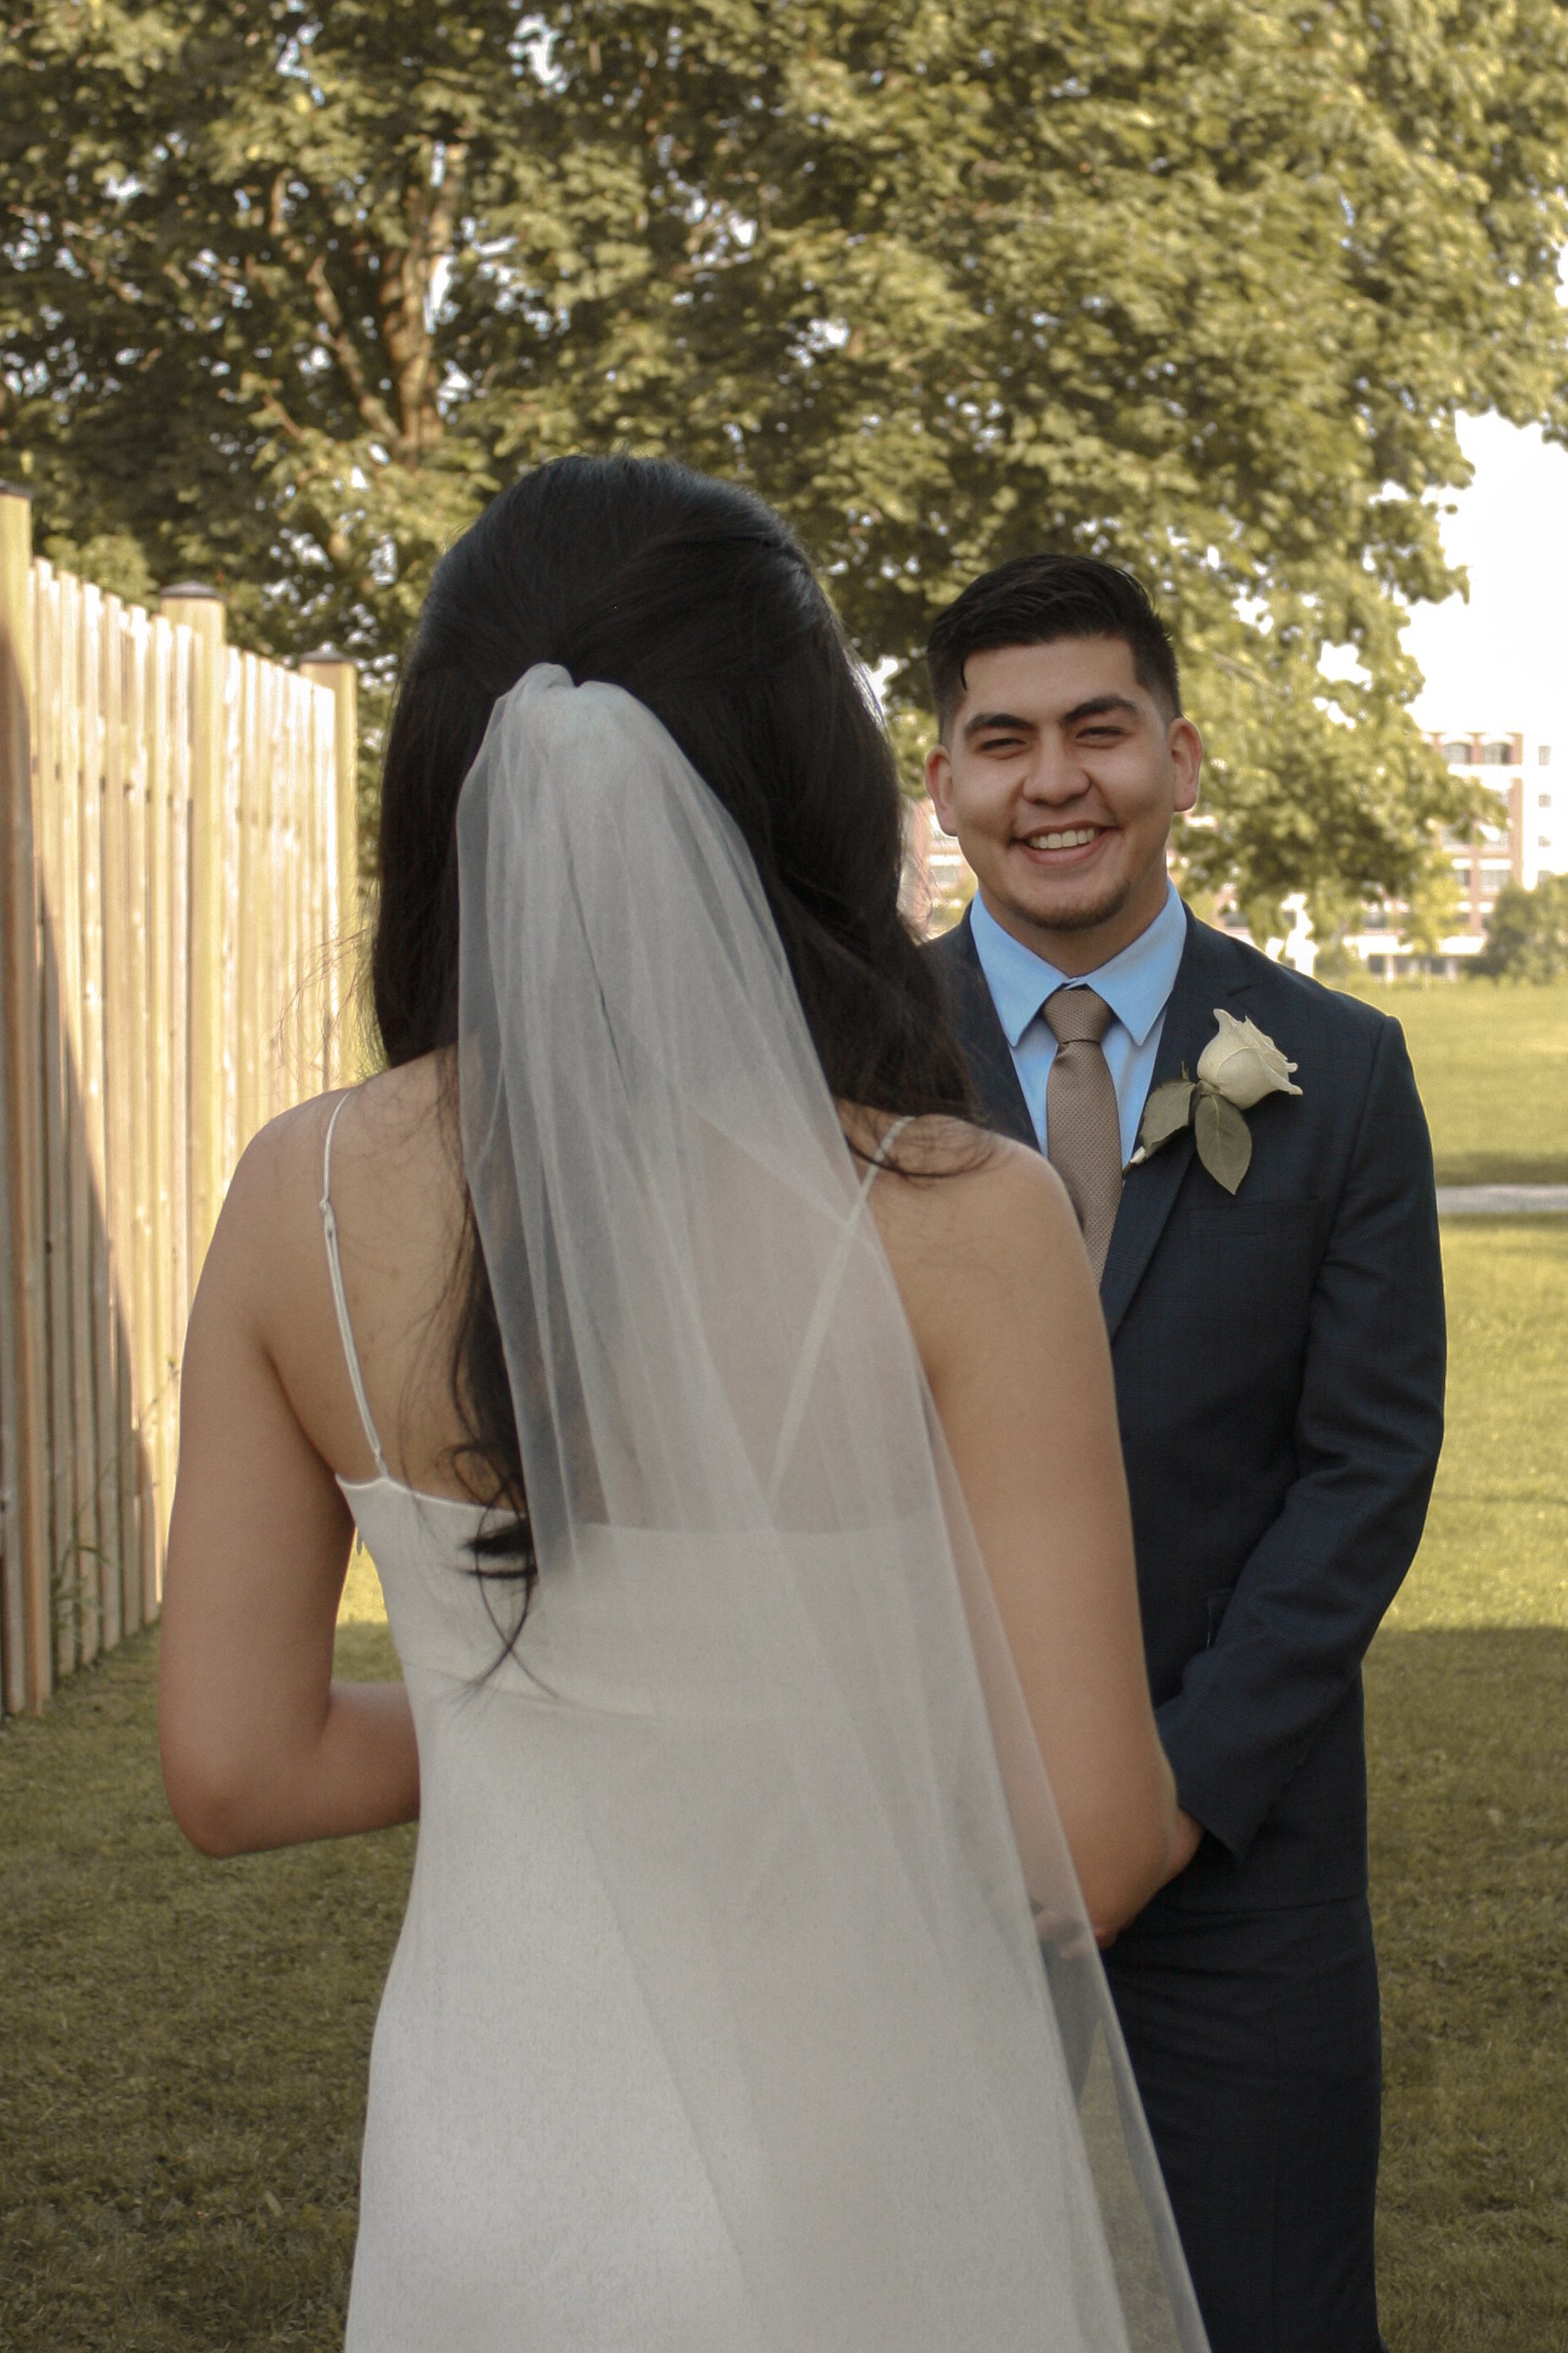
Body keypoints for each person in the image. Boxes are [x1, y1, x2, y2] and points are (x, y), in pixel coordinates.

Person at [158, 459, 1208, 2351]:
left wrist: (527, 1702)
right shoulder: (965, 1225)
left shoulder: (294, 1197)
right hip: (863, 2167)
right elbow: (1098, 1828)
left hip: (489, 2176)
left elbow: (236, 1771)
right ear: (811, 785)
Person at [923, 552, 1446, 2353]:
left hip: (1240, 1843)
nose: (1051, 781)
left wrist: (1169, 1796)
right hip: (921, 1836)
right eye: (1001, 742)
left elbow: (1365, 1470)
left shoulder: (1339, 1067)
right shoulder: (829, 1061)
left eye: (1098, 729)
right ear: (945, 786)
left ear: (1183, 756)